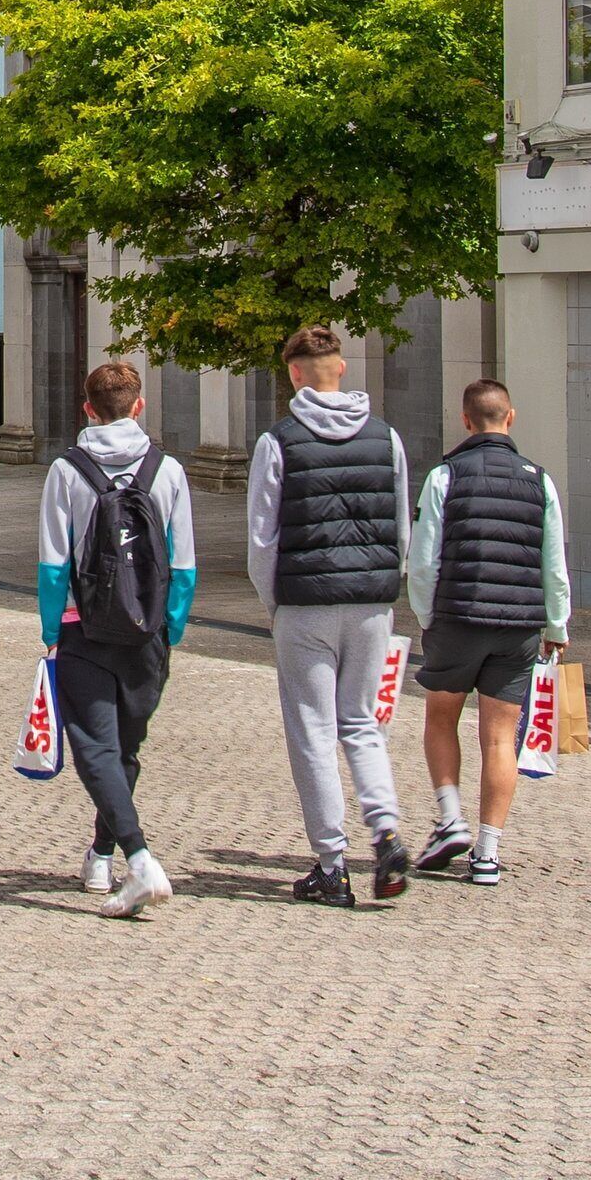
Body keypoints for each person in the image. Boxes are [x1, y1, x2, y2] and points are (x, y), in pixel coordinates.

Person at [245, 324, 412, 908]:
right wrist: (389, 585)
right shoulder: (386, 437)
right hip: (371, 601)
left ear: (294, 375)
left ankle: (331, 863)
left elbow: (262, 539)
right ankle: (386, 829)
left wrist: (274, 603)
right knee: (361, 721)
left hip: (305, 601)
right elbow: (401, 527)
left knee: (313, 730)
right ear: (342, 368)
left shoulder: (279, 441)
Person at [37, 360, 197, 918]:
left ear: (87, 409)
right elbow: (184, 563)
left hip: (85, 627)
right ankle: (100, 855)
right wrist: (170, 627)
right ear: (139, 406)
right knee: (124, 748)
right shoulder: (168, 470)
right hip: (147, 633)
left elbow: (54, 563)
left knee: (94, 747)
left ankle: (139, 858)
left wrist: (51, 629)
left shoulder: (67, 470)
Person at [403, 379, 568, 889]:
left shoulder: (444, 476)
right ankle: (488, 852)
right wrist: (556, 625)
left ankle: (450, 816)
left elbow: (424, 558)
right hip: (518, 626)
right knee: (499, 737)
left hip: (457, 616)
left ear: (466, 420)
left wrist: (426, 615)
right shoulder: (539, 480)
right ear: (510, 418)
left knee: (440, 719)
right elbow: (554, 562)